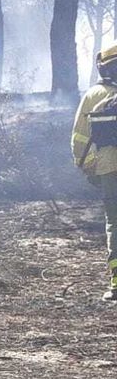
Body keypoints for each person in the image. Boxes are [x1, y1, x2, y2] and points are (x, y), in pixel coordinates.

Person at [72, 42, 117, 302]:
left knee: (115, 223)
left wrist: (89, 168)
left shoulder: (93, 96)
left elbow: (79, 139)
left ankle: (116, 283)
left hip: (109, 170)